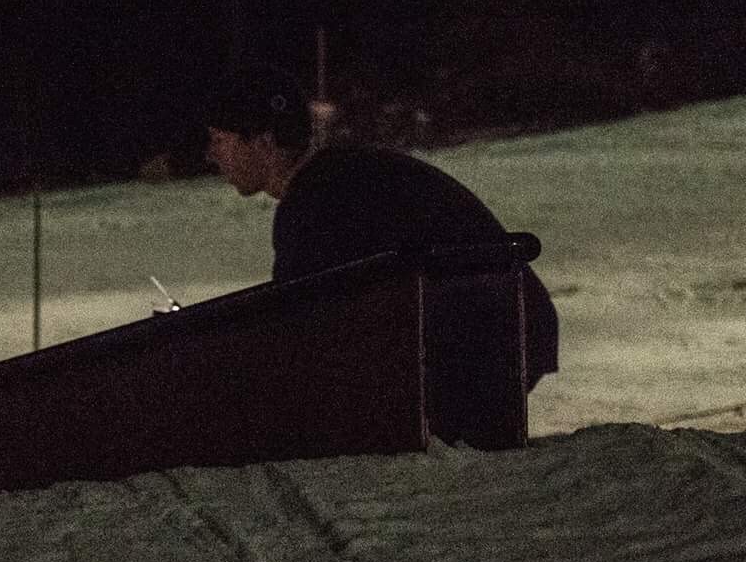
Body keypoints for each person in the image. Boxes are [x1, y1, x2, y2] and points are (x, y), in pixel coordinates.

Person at [203, 64, 559, 388]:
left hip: (483, 338)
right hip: (511, 326)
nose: (212, 154)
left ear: (263, 143)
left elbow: (297, 323)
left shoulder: (316, 200)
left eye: (220, 140)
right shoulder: (341, 176)